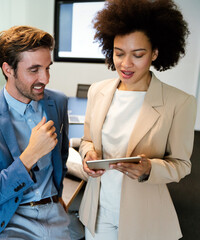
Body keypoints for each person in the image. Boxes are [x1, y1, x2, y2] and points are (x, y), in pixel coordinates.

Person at [78, 0, 197, 239]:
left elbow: (181, 165)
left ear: (154, 53)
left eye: (138, 54)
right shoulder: (98, 91)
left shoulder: (180, 103)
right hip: (98, 209)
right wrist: (88, 154)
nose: (125, 63)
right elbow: (87, 140)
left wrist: (149, 168)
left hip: (143, 215)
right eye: (119, 53)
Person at [0, 26, 70, 240]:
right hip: (9, 218)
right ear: (8, 69)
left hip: (55, 214)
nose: (45, 78)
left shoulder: (57, 102)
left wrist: (56, 198)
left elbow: (62, 157)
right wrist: (30, 156)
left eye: (48, 68)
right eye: (34, 70)